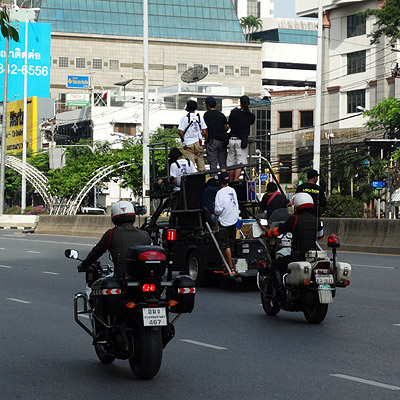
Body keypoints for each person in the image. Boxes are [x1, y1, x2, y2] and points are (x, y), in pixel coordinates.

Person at [261, 192, 322, 299]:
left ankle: (280, 292)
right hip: (313, 257)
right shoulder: (317, 220)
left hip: (297, 256)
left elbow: (279, 230)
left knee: (275, 265)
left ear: (297, 205)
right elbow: (320, 236)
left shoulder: (295, 219)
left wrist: (266, 233)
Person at [77, 201, 152, 278]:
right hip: (145, 278)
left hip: (122, 278)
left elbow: (96, 252)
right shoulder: (145, 234)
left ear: (114, 217)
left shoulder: (111, 234)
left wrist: (84, 265)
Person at [214, 171, 240, 275]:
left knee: (225, 245)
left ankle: (230, 267)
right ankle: (224, 266)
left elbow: (218, 209)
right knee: (231, 243)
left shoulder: (220, 193)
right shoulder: (232, 190)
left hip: (224, 221)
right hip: (234, 220)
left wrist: (215, 212)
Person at [227, 95, 255, 182]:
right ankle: (236, 180)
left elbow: (230, 123)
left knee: (231, 163)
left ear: (240, 103)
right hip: (241, 141)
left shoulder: (234, 113)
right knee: (240, 162)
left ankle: (230, 182)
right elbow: (251, 122)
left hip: (231, 139)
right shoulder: (250, 116)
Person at [178, 100, 208, 171]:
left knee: (190, 167)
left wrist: (183, 140)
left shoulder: (184, 119)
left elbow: (180, 132)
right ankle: (202, 180)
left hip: (188, 145)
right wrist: (205, 142)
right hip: (198, 144)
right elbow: (205, 131)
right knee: (201, 168)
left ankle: (192, 181)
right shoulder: (199, 118)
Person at [203, 96, 229, 171]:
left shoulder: (206, 115)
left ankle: (214, 180)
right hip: (222, 141)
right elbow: (226, 128)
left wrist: (206, 141)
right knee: (223, 163)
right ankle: (224, 179)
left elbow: (206, 130)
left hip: (212, 141)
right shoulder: (221, 115)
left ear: (208, 105)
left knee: (213, 164)